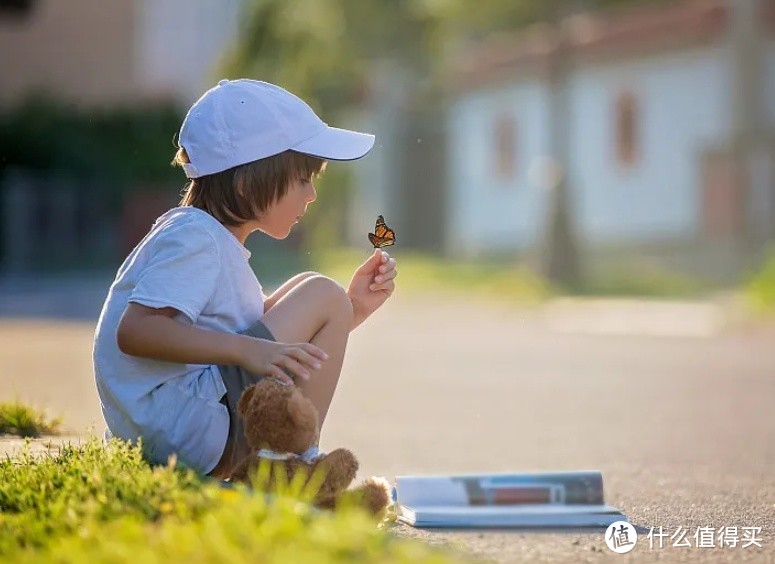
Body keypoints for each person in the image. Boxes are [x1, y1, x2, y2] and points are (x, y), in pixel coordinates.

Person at [93, 79, 397, 479]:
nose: (311, 196)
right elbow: (136, 331)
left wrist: (350, 308)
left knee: (319, 294)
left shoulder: (206, 239)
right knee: (320, 293)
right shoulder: (196, 237)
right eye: (303, 179)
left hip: (186, 425)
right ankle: (296, 468)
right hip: (188, 429)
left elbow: (260, 340)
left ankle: (290, 465)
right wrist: (244, 350)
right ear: (246, 182)